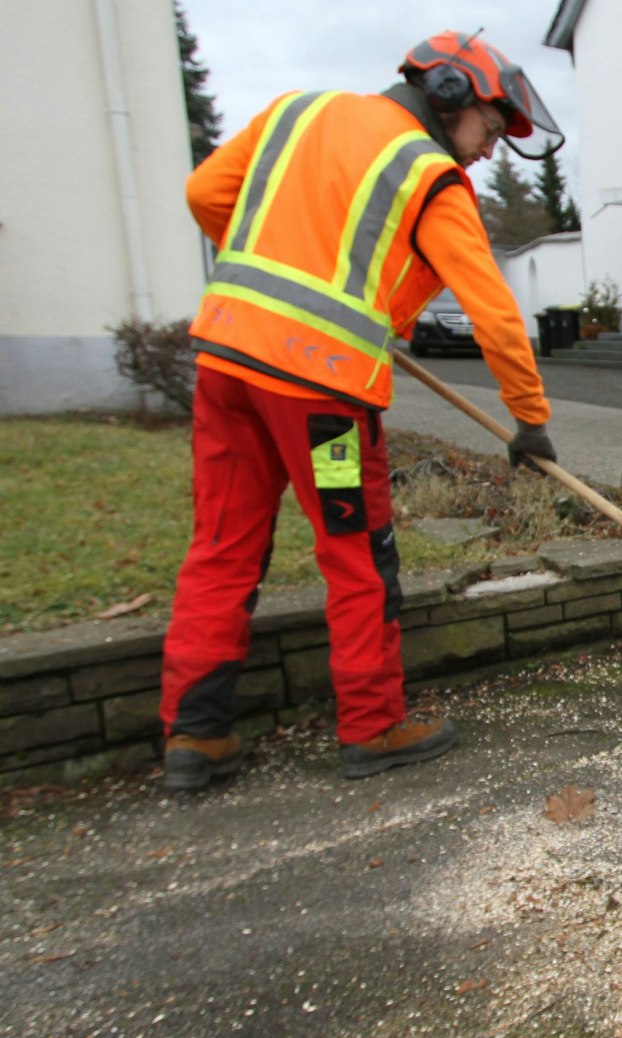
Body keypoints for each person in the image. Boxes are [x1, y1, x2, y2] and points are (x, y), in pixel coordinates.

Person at [159, 31, 563, 789]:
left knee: (220, 547)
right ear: (449, 94)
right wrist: (530, 421)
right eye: (488, 128)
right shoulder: (427, 172)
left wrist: (277, 285)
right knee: (356, 556)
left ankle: (195, 737)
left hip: (226, 369)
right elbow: (495, 314)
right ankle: (373, 726)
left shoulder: (295, 113)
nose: (486, 152)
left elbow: (203, 195)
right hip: (325, 407)